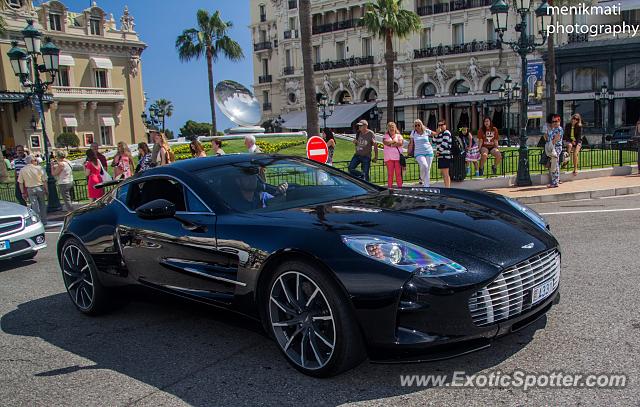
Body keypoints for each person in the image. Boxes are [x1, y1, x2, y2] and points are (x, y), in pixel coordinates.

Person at [18, 156, 47, 225]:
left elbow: (20, 183)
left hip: (30, 189)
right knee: (42, 205)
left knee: (34, 206)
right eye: (35, 160)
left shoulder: (22, 170)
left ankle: (37, 221)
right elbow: (44, 180)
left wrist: (22, 192)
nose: (36, 161)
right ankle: (44, 221)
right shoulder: (39, 168)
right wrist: (46, 189)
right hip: (39, 187)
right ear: (32, 161)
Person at [410, 119, 434, 187]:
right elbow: (411, 143)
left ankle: (426, 186)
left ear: (421, 125)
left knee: (427, 169)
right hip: (418, 153)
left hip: (429, 151)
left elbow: (434, 134)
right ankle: (421, 177)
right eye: (415, 125)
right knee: (424, 165)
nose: (417, 126)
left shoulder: (426, 131)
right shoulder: (413, 133)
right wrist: (409, 151)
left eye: (418, 125)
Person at [383, 122, 404, 188]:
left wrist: (391, 144)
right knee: (390, 174)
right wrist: (394, 142)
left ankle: (400, 187)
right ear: (388, 128)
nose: (391, 128)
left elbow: (400, 143)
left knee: (398, 174)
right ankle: (390, 187)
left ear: (395, 128)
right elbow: (385, 142)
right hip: (389, 158)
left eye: (392, 127)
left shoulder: (399, 136)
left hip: (397, 158)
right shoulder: (385, 136)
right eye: (390, 127)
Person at [545, 114, 564, 188]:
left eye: (556, 121)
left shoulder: (559, 129)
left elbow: (556, 139)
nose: (554, 123)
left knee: (555, 164)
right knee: (554, 164)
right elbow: (548, 138)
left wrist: (551, 144)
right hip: (552, 147)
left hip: (556, 147)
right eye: (553, 121)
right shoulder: (553, 129)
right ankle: (555, 180)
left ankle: (555, 182)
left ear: (559, 121)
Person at [434, 120, 452, 188]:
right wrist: (436, 133)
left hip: (445, 155)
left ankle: (448, 188)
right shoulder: (439, 133)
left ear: (445, 125)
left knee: (446, 173)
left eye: (442, 125)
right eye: (439, 125)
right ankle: (446, 187)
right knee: (444, 173)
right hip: (441, 156)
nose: (440, 126)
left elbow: (444, 144)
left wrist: (438, 152)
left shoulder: (446, 132)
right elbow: (433, 141)